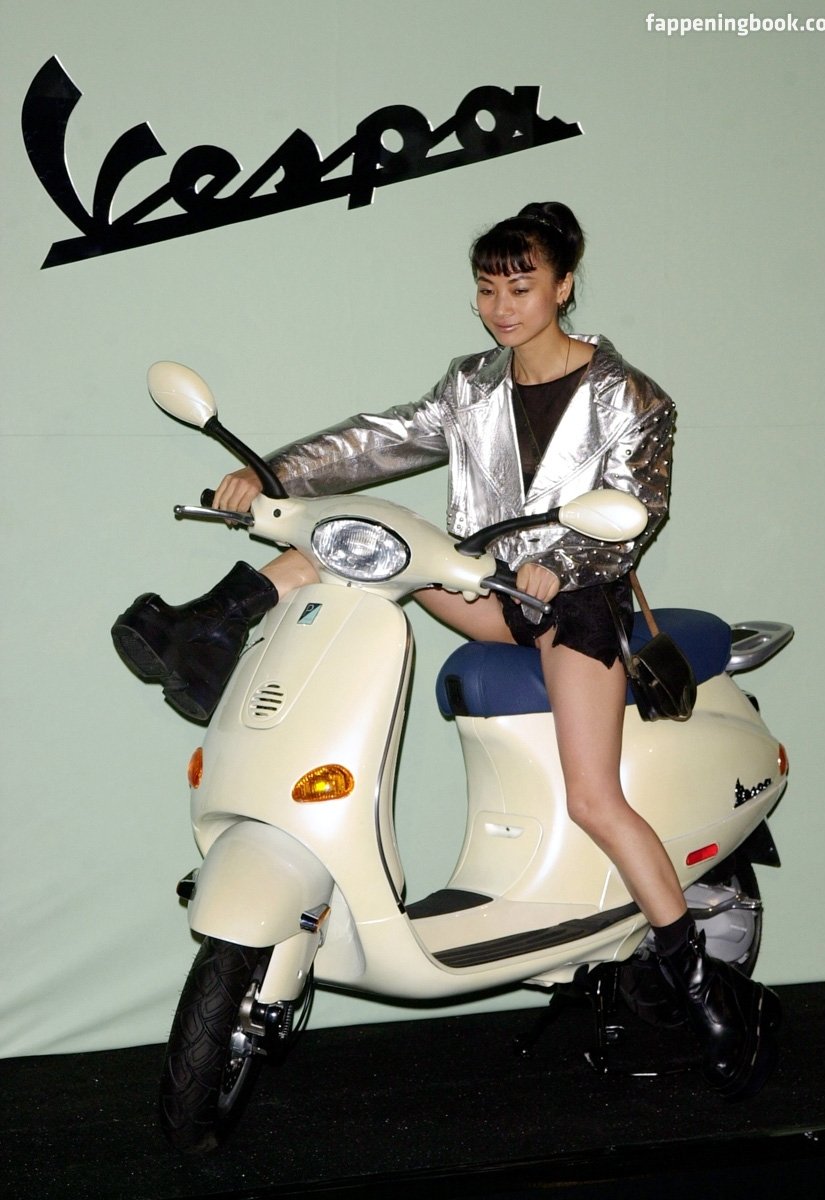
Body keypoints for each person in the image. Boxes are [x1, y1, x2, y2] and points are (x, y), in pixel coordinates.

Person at [112, 200, 779, 1098]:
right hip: (488, 590)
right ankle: (208, 627)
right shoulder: (472, 385)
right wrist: (270, 475)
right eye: (487, 289)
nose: (501, 307)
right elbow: (379, 441)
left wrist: (562, 564)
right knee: (360, 531)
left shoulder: (632, 397)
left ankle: (700, 988)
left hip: (576, 606)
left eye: (521, 287)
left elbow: (637, 508)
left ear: (564, 286)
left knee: (594, 798)